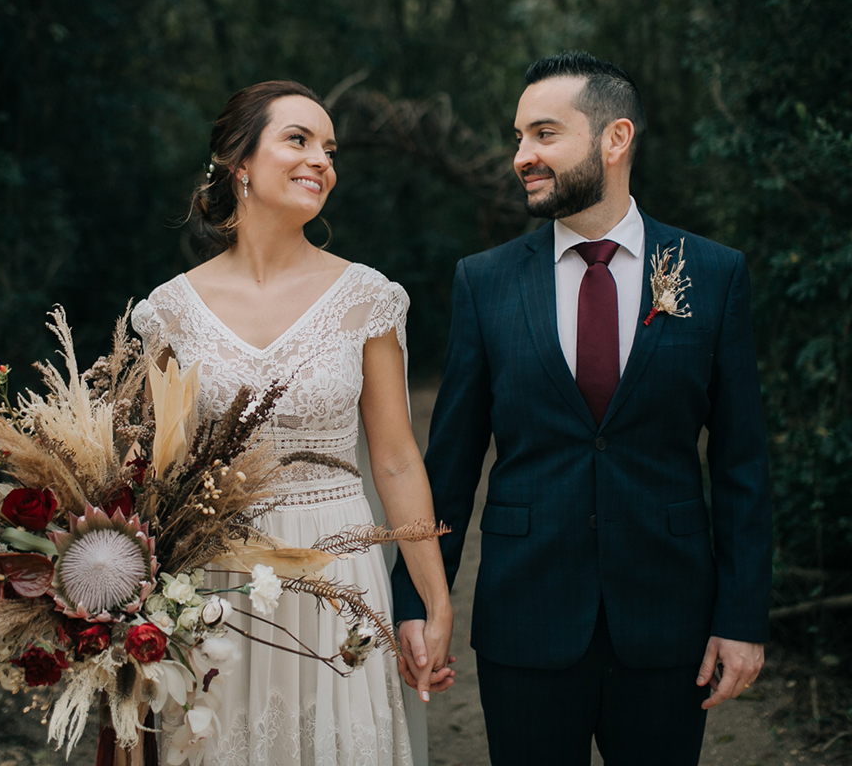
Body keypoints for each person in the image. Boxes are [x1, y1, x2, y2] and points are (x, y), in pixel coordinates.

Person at [391, 52, 772, 766]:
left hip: (669, 620)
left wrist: (742, 617)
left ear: (614, 138)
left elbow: (741, 460)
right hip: (526, 618)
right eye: (517, 138)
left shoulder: (712, 275)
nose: (521, 157)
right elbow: (448, 466)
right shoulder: (485, 282)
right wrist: (414, 603)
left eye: (542, 135)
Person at [132, 81, 455, 766]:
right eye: (299, 140)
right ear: (238, 163)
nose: (323, 161)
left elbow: (395, 458)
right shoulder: (170, 313)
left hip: (339, 576)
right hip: (216, 585)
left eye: (330, 149)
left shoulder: (367, 297)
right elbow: (157, 478)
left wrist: (432, 598)